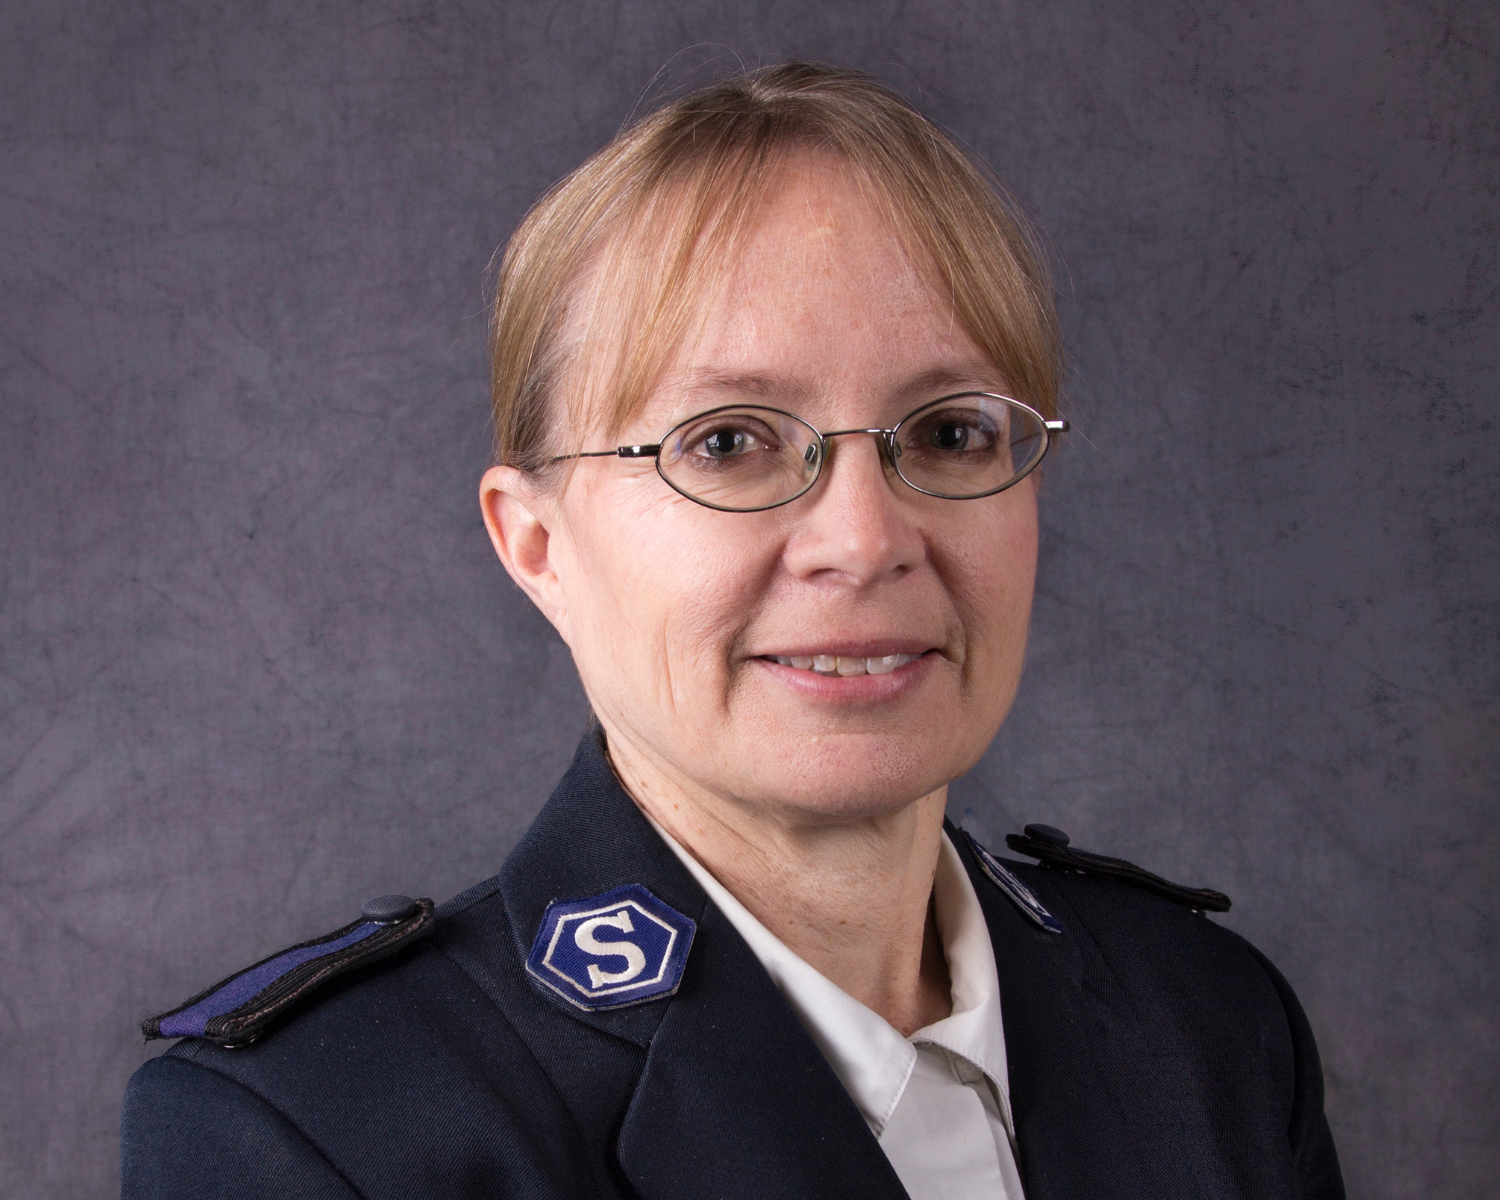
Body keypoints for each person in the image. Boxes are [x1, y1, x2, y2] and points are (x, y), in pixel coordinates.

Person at [121, 63, 1345, 1199]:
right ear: (537, 545)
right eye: (727, 442)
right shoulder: (325, 1137)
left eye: (950, 433)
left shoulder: (1210, 1024)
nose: (864, 540)